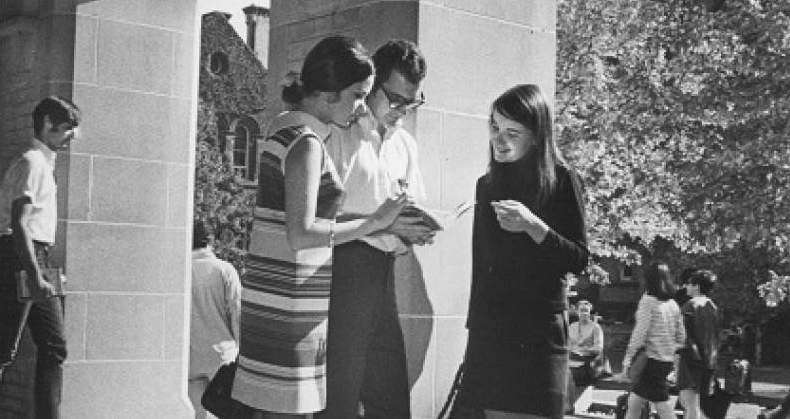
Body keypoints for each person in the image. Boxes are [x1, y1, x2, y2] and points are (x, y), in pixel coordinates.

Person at [236, 35, 409, 418]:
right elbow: (301, 234)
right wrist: (374, 222)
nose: (362, 106)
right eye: (358, 95)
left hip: (274, 293)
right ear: (329, 94)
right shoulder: (307, 141)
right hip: (292, 302)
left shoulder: (281, 128)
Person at [456, 84, 590, 418]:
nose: (499, 140)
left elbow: (579, 259)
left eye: (512, 133)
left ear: (536, 135)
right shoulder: (486, 185)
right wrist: (475, 334)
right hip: (493, 329)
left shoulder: (562, 180)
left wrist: (535, 227)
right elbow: (480, 264)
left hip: (539, 331)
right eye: (495, 128)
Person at [321, 39, 437, 419]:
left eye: (412, 102)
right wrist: (382, 222)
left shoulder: (405, 145)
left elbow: (411, 204)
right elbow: (315, 223)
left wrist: (414, 228)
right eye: (396, 99)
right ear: (372, 86)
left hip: (384, 276)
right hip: (342, 274)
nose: (402, 111)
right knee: (337, 400)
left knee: (391, 401)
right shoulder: (341, 133)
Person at [0, 96, 81, 419]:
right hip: (21, 256)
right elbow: (19, 223)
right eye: (66, 129)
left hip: (33, 256)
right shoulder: (32, 163)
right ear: (46, 124)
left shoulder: (41, 164)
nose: (70, 137)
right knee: (2, 350)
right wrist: (34, 274)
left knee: (54, 346)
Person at [188, 219, 242, 419]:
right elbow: (237, 313)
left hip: (191, 356)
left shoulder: (181, 270)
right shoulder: (225, 270)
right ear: (211, 241)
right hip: (222, 356)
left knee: (198, 415)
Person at [621, 261, 686, 419]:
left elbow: (640, 333)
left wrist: (628, 358)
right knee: (635, 402)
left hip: (650, 360)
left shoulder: (647, 301)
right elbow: (681, 337)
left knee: (662, 405)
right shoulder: (673, 305)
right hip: (665, 361)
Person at [677, 270, 721, 419]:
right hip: (709, 360)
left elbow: (681, 336)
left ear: (696, 286)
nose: (686, 286)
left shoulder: (689, 306)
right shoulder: (712, 307)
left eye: (689, 283)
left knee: (690, 404)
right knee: (691, 403)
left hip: (690, 360)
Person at [568, 300, 605, 387]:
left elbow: (598, 348)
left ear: (589, 312)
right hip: (573, 360)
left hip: (589, 361)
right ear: (577, 312)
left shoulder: (595, 327)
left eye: (586, 311)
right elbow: (567, 345)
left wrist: (584, 351)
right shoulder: (572, 326)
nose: (584, 313)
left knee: (574, 373)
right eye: (581, 310)